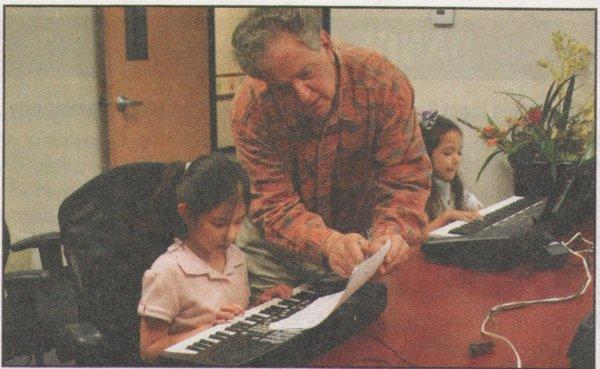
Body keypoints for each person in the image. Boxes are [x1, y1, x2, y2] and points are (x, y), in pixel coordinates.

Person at [230, 8, 432, 295]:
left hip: (360, 247)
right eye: (283, 88)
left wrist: (391, 233)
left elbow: (405, 177)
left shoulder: (381, 83)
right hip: (275, 256)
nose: (303, 94)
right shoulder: (252, 109)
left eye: (305, 74)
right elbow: (274, 205)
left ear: (324, 44)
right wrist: (328, 244)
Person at [137, 153, 292, 363]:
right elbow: (149, 350)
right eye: (219, 224)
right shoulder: (168, 271)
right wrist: (206, 332)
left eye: (238, 222)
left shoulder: (235, 255)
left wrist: (259, 306)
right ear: (187, 214)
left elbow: (231, 319)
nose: (231, 235)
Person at [420, 111, 483, 234]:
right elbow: (414, 239)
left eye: (459, 152)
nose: (456, 159)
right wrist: (447, 217)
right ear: (426, 154)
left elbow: (477, 212)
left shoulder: (456, 189)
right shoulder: (417, 192)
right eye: (448, 153)